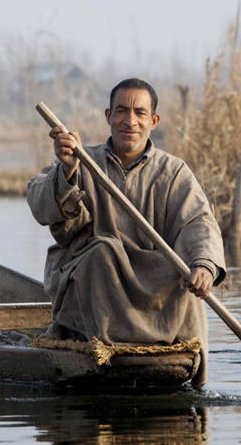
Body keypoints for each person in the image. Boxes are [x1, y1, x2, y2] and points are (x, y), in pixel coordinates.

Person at [26, 78, 225, 387]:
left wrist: (204, 265)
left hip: (154, 287)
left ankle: (163, 346)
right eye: (121, 111)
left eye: (140, 113)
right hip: (99, 286)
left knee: (182, 268)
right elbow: (40, 202)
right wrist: (66, 171)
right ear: (108, 116)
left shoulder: (173, 173)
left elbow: (197, 222)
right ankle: (106, 346)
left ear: (153, 121)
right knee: (102, 252)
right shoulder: (82, 161)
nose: (130, 121)